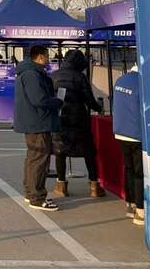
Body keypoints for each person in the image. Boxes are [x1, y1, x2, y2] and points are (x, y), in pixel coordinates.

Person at [14, 45, 64, 211]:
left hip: (34, 122)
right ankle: (37, 197)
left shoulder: (28, 72)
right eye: (47, 56)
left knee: (34, 159)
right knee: (39, 160)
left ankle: (31, 193)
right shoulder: (32, 74)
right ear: (40, 57)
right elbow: (39, 99)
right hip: (38, 122)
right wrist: (57, 102)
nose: (49, 59)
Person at [50, 49, 105, 198]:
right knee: (88, 152)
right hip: (79, 119)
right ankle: (94, 186)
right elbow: (89, 100)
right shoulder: (80, 77)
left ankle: (61, 185)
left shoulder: (53, 76)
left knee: (60, 152)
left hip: (60, 119)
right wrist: (99, 108)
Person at [113, 65, 144, 226]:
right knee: (140, 173)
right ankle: (140, 211)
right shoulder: (142, 82)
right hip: (136, 133)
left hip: (121, 131)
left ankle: (130, 204)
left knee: (129, 169)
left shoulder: (120, 80)